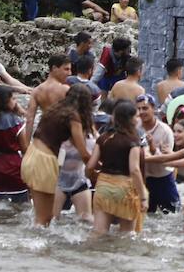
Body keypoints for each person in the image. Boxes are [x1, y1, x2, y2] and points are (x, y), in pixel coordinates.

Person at [22, 83, 93, 223]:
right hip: (45, 161)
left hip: (31, 156)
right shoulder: (74, 117)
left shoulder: (56, 109)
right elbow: (83, 153)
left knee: (42, 217)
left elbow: (71, 141)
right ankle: (39, 245)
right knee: (44, 220)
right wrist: (99, 169)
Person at [86, 100, 146, 236]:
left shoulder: (103, 138)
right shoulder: (133, 141)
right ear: (129, 119)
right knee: (127, 235)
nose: (139, 119)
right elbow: (135, 170)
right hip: (125, 189)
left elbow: (90, 165)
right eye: (136, 116)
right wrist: (143, 197)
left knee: (99, 232)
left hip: (103, 187)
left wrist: (94, 177)